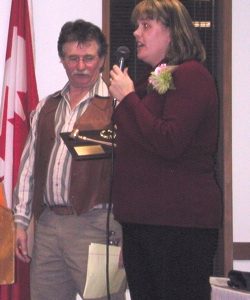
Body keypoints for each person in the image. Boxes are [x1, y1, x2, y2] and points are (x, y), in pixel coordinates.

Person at [109, 1, 222, 299]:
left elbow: (169, 141)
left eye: (146, 26)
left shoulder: (192, 75)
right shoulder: (157, 80)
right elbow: (139, 139)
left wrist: (129, 97)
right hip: (145, 221)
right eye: (137, 26)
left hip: (178, 225)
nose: (136, 33)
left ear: (172, 32)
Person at [14, 19, 125, 300]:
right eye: (73, 58)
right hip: (49, 226)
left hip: (99, 225)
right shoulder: (46, 107)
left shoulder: (118, 106)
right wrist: (21, 222)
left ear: (101, 60)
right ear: (62, 60)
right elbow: (29, 168)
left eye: (89, 58)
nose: (81, 66)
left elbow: (134, 175)